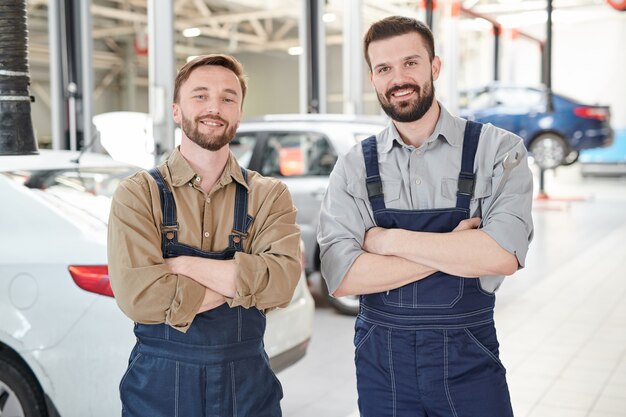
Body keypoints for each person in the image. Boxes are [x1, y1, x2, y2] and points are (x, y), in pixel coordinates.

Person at [318, 16, 533, 417]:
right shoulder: (352, 166)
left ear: (435, 66)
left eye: (410, 63)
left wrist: (385, 241)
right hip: (382, 365)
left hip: (469, 356)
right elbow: (344, 277)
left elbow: (501, 255)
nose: (398, 78)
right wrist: (457, 249)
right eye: (384, 68)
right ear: (372, 78)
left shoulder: (498, 151)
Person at [108, 54, 301, 417]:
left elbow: (282, 283)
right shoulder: (138, 194)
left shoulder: (269, 195)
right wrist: (243, 287)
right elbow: (141, 298)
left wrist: (181, 265)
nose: (215, 107)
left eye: (228, 98)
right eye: (200, 95)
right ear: (177, 110)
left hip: (248, 387)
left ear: (239, 114)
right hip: (158, 388)